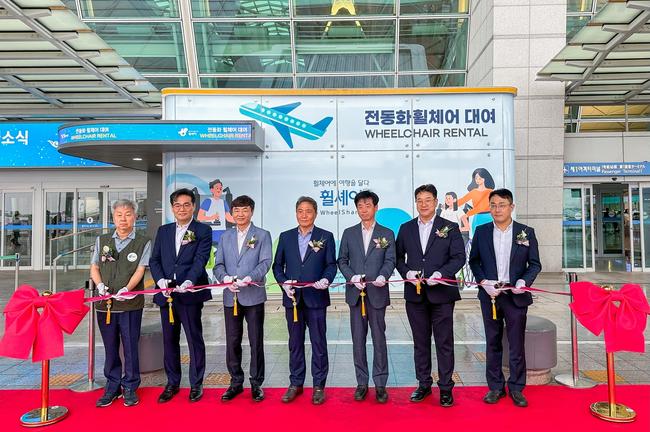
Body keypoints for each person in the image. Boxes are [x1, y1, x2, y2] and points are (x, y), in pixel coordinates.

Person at [469, 188, 542, 408]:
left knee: (516, 343)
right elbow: (474, 261)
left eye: (502, 205)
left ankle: (517, 387)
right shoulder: (481, 231)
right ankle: (495, 387)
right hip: (490, 295)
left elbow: (535, 264)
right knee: (492, 341)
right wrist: (483, 281)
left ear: (511, 207)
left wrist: (524, 282)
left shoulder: (526, 232)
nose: (497, 209)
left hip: (515, 296)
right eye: (493, 205)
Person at [396, 184, 466, 407]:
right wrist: (407, 272)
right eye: (419, 200)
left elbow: (459, 257)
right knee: (420, 342)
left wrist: (441, 273)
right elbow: (397, 257)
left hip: (442, 293)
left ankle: (445, 387)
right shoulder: (406, 228)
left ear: (436, 202)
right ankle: (423, 384)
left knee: (444, 342)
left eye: (428, 200)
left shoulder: (450, 227)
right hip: (415, 295)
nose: (423, 204)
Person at [150, 188, 212, 403]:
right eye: (177, 205)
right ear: (172, 208)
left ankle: (196, 383)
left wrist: (189, 281)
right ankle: (172, 383)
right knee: (169, 339)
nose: (182, 209)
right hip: (167, 294)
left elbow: (201, 259)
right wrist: (160, 281)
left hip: (189, 293)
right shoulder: (164, 231)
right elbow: (155, 260)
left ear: (193, 206)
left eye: (186, 205)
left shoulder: (202, 230)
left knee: (194, 338)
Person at [272, 196, 336, 405]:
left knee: (319, 343)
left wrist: (326, 279)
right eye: (300, 211)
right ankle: (295, 383)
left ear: (315, 213)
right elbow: (277, 266)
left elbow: (331, 265)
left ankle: (319, 386)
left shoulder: (325, 236)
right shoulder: (286, 237)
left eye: (308, 211)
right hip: (293, 299)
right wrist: (283, 283)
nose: (304, 215)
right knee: (295, 343)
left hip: (316, 298)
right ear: (296, 213)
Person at [90, 199, 151, 408]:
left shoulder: (143, 241)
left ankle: (131, 386)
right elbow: (94, 267)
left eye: (128, 214)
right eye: (119, 214)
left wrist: (128, 289)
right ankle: (112, 386)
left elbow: (140, 270)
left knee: (130, 346)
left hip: (130, 304)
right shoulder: (102, 240)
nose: (123, 219)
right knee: (110, 346)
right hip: (105, 304)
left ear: (135, 217)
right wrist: (99, 286)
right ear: (113, 217)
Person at [337, 190, 395, 403]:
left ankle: (380, 384)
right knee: (358, 340)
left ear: (375, 207)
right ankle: (361, 383)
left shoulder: (386, 233)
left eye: (367, 205)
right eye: (360, 206)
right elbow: (342, 260)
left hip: (377, 293)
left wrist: (383, 275)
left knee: (379, 339)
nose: (364, 210)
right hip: (356, 295)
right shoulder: (349, 233)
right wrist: (351, 277)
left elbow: (390, 260)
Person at [214, 195, 272, 402]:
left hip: (253, 295)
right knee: (232, 341)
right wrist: (224, 278)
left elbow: (265, 262)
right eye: (237, 210)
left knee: (256, 341)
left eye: (245, 210)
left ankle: (256, 383)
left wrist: (250, 277)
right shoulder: (225, 237)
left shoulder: (262, 235)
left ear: (251, 212)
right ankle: (235, 382)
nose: (240, 214)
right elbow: (218, 264)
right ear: (231, 213)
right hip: (231, 296)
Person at [457, 168, 495, 236]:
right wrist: (450, 204)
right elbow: (462, 200)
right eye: (476, 178)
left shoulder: (490, 192)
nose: (477, 180)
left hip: (488, 218)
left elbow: (482, 207)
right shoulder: (474, 192)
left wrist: (467, 215)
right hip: (477, 218)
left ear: (485, 178)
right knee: (476, 238)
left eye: (480, 178)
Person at [197, 179, 235, 245]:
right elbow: (199, 217)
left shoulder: (224, 202)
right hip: (211, 231)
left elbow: (228, 218)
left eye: (220, 188)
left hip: (222, 231)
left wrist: (240, 221)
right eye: (217, 188)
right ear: (212, 190)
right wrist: (211, 217)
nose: (219, 190)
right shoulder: (208, 201)